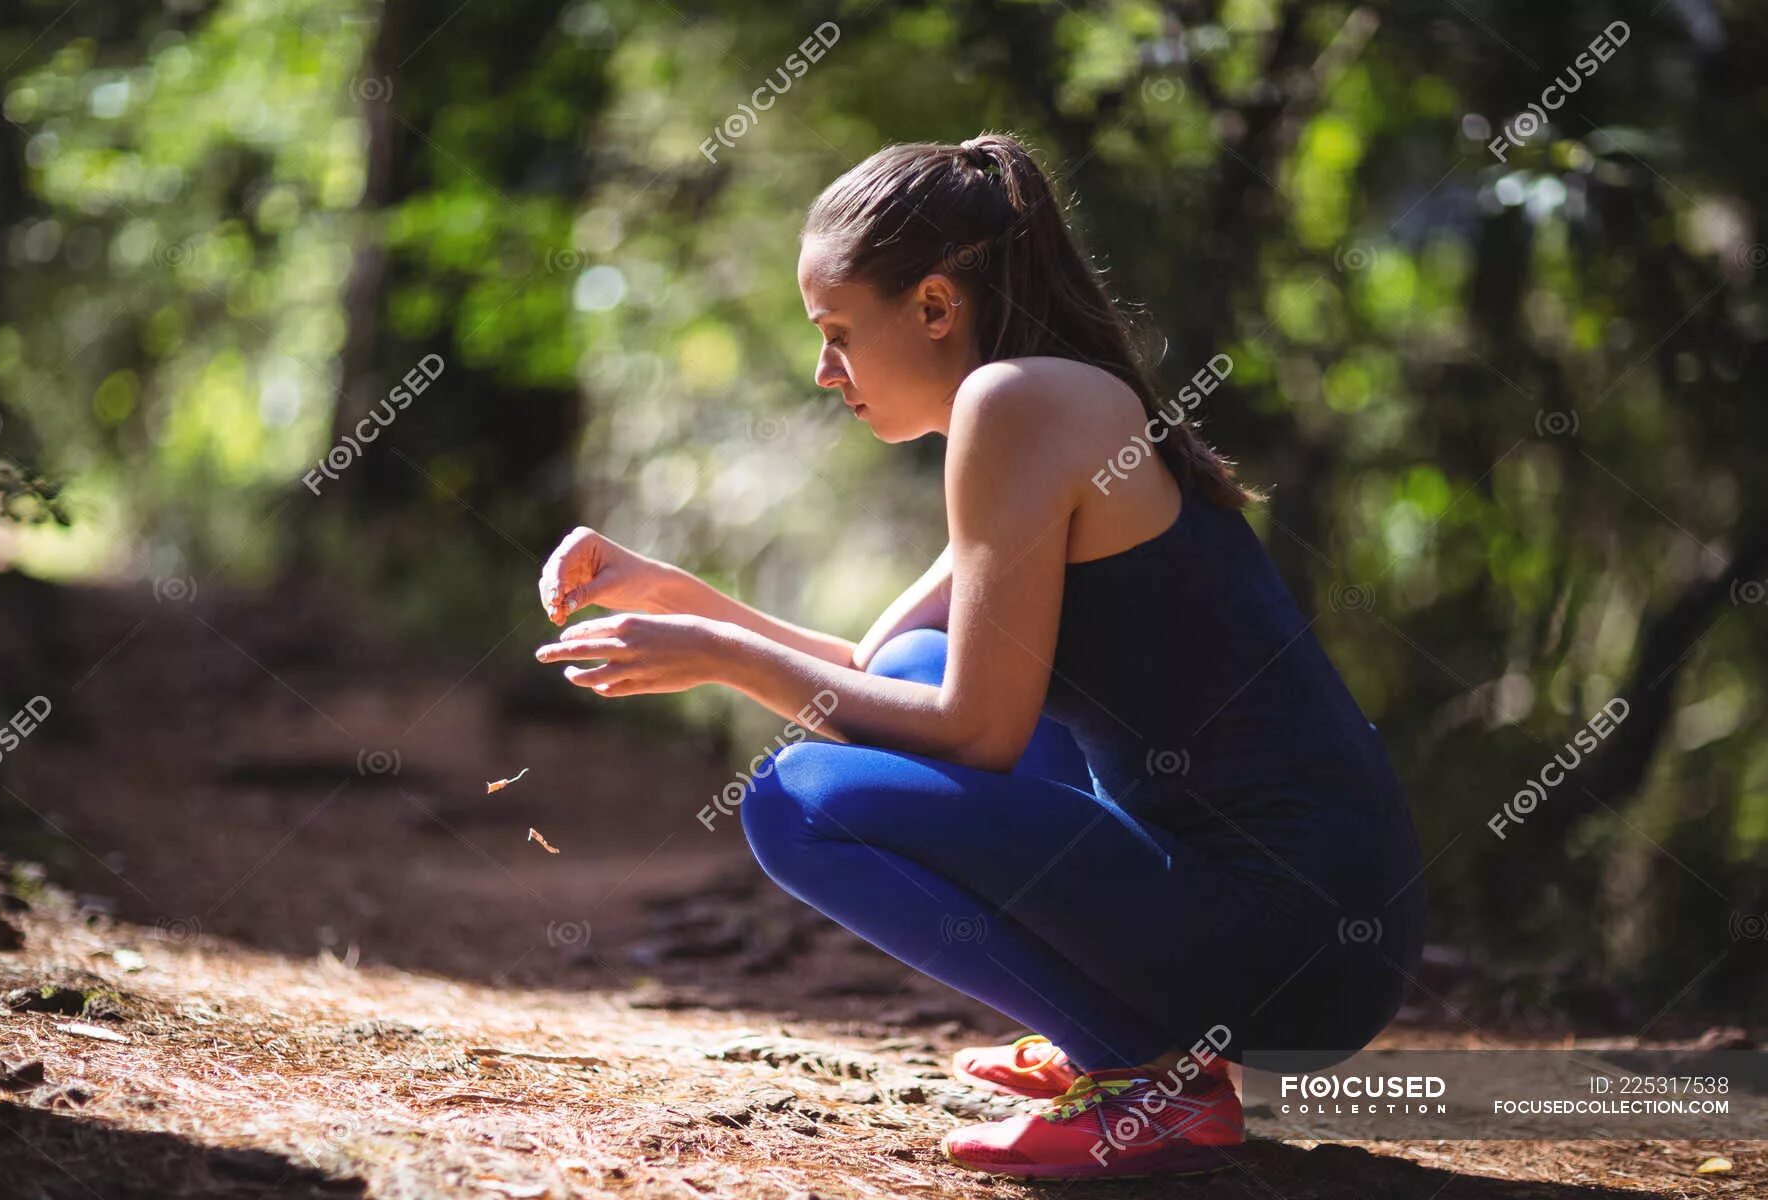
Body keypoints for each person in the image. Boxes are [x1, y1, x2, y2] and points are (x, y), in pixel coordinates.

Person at [534, 131, 1427, 1181]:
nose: (827, 372)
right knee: (903, 678)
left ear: (931, 306)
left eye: (836, 333)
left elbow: (977, 732)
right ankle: (1143, 1043)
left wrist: (721, 655)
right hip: (1305, 943)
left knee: (795, 798)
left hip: (1289, 947)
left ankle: (1146, 1075)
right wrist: (676, 595)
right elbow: (886, 667)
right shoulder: (1052, 397)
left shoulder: (1017, 405)